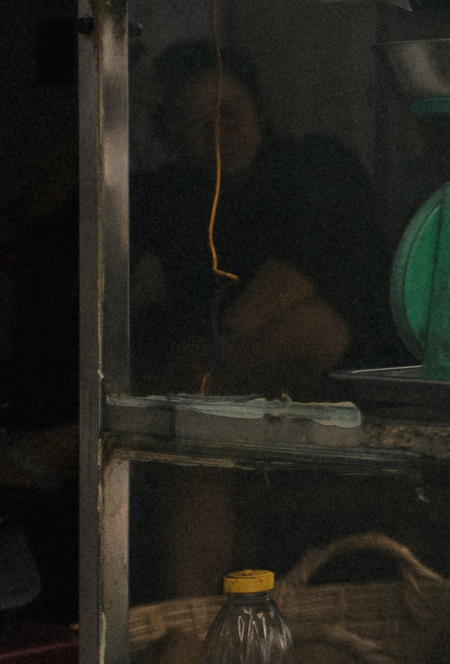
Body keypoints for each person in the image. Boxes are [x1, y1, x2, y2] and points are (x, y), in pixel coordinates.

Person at [129, 41, 396, 399]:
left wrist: (221, 343)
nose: (219, 133)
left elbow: (297, 269)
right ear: (171, 137)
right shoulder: (166, 193)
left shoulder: (318, 163)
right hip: (208, 380)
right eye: (196, 123)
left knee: (310, 328)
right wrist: (121, 110)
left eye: (230, 111)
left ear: (260, 109)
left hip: (349, 387)